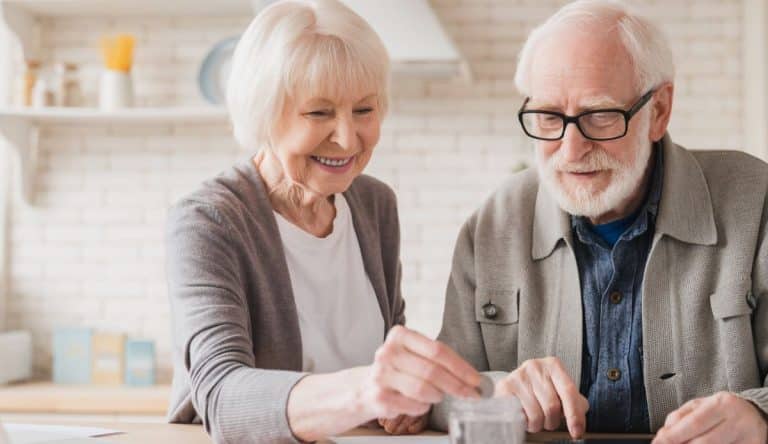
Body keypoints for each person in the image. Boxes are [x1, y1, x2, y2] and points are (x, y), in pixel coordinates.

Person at [421, 1, 768, 442]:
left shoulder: (755, 199)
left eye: (600, 115)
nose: (570, 151)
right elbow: (436, 396)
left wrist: (758, 414)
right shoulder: (495, 221)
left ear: (659, 110)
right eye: (549, 116)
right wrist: (493, 393)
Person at [164, 1, 482, 442]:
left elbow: (390, 351)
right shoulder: (209, 221)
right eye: (319, 113)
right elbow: (222, 396)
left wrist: (406, 401)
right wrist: (365, 393)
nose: (348, 139)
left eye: (364, 111)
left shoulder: (374, 206)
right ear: (263, 112)